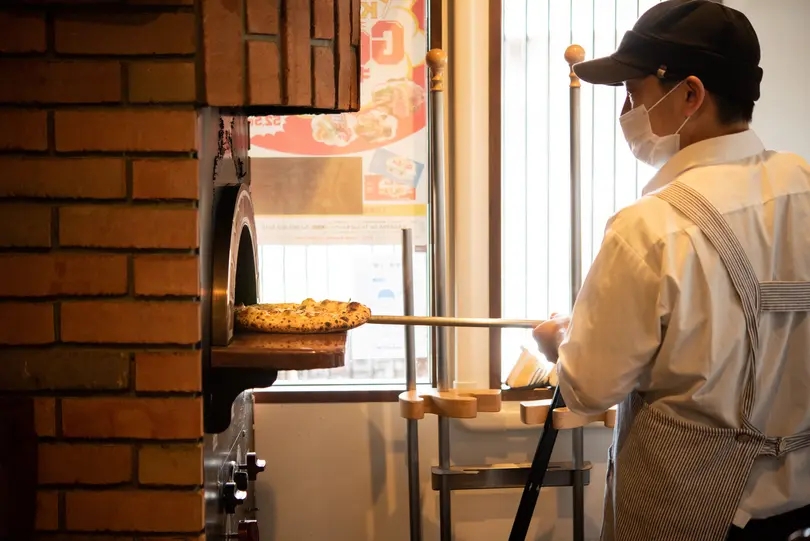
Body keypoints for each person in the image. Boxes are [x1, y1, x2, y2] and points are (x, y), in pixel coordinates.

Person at [528, 1, 810, 539]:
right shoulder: (802, 183)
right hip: (799, 511)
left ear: (690, 95)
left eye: (634, 92)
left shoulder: (652, 226)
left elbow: (589, 389)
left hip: (688, 516)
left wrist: (558, 341)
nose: (626, 110)